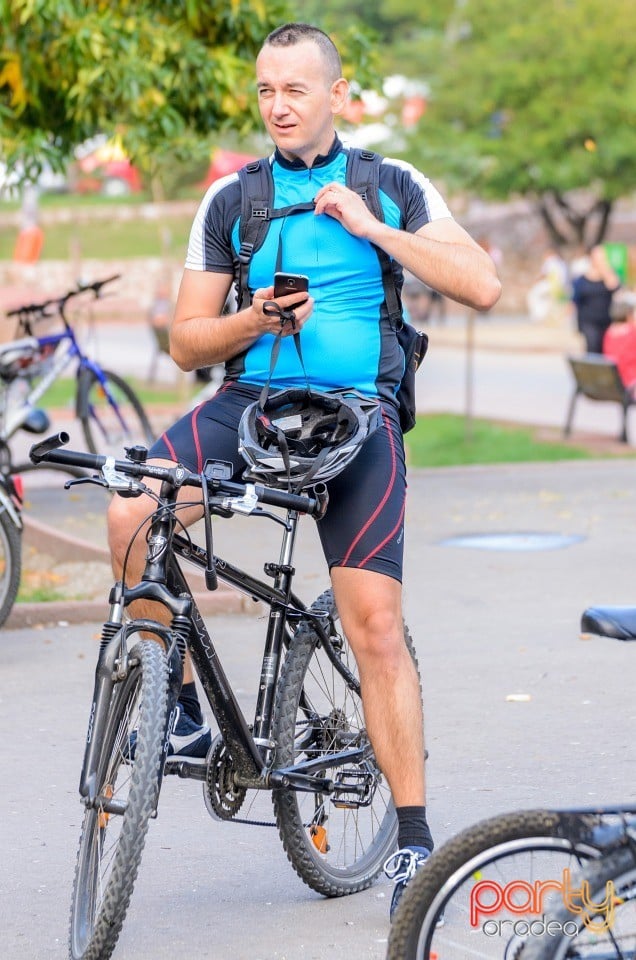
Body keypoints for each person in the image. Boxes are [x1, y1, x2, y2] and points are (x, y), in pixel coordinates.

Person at [107, 22, 501, 918]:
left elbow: (482, 285)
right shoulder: (230, 200)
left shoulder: (390, 184)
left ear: (336, 94)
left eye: (294, 89)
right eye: (264, 92)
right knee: (133, 506)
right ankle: (176, 713)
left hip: (358, 417)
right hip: (251, 404)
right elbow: (184, 343)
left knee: (374, 623)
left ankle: (411, 840)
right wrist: (253, 322)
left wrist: (372, 229)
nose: (277, 107)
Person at [572, 244, 621, 353]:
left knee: (606, 350)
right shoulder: (582, 280)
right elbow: (575, 300)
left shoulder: (609, 276)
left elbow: (617, 289)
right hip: (588, 322)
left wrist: (606, 271)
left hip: (606, 320)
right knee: (593, 346)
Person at [526, 246, 570, 323]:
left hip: (552, 286)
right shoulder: (561, 262)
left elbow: (543, 274)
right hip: (562, 287)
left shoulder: (550, 260)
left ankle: (538, 316)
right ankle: (546, 317)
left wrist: (535, 281)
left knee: (533, 295)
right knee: (548, 300)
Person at [602, 296, 636, 393]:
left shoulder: (609, 332)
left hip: (614, 379)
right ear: (629, 315)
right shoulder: (632, 332)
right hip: (629, 382)